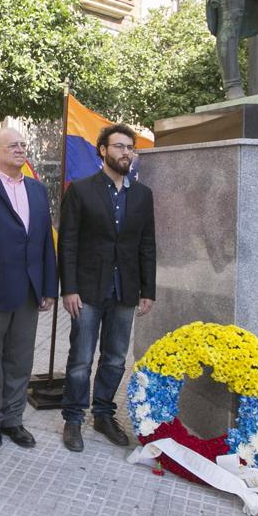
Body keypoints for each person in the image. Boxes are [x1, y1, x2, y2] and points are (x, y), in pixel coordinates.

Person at [58, 123, 156, 452]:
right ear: (103, 150)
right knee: (81, 359)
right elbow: (68, 243)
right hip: (86, 290)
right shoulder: (81, 190)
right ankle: (73, 418)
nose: (126, 152)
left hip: (125, 290)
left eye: (130, 147)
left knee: (114, 359)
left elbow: (147, 244)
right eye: (118, 146)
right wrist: (68, 288)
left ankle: (102, 414)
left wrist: (148, 290)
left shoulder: (142, 195)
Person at [0, 127, 57, 449]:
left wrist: (49, 287)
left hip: (29, 291)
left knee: (20, 359)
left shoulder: (37, 190)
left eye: (22, 145)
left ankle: (13, 419)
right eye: (12, 145)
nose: (20, 149)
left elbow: (45, 242)